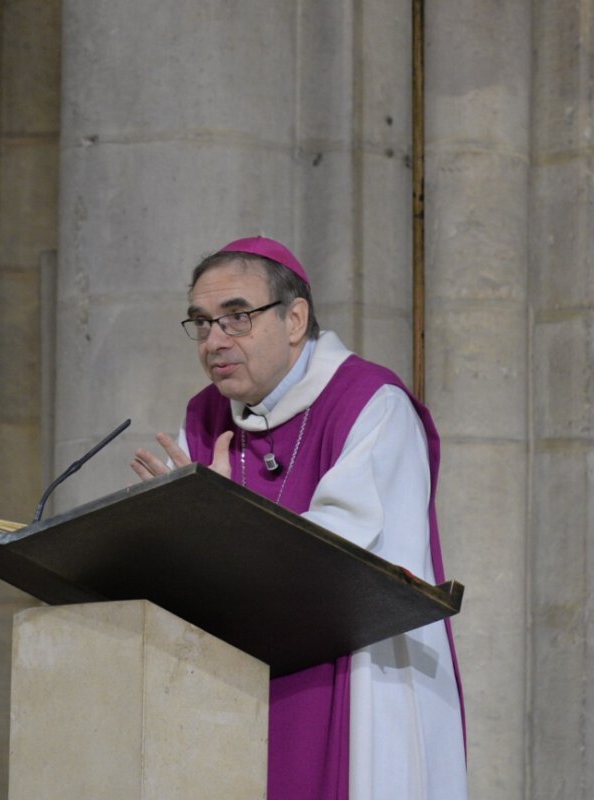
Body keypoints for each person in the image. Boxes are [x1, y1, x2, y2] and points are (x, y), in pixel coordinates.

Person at [130, 236, 467, 800]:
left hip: (354, 669)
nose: (215, 341)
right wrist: (173, 523)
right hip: (232, 675)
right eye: (202, 323)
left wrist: (215, 518)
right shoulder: (207, 414)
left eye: (236, 318)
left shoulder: (370, 401)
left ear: (294, 319)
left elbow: (347, 559)